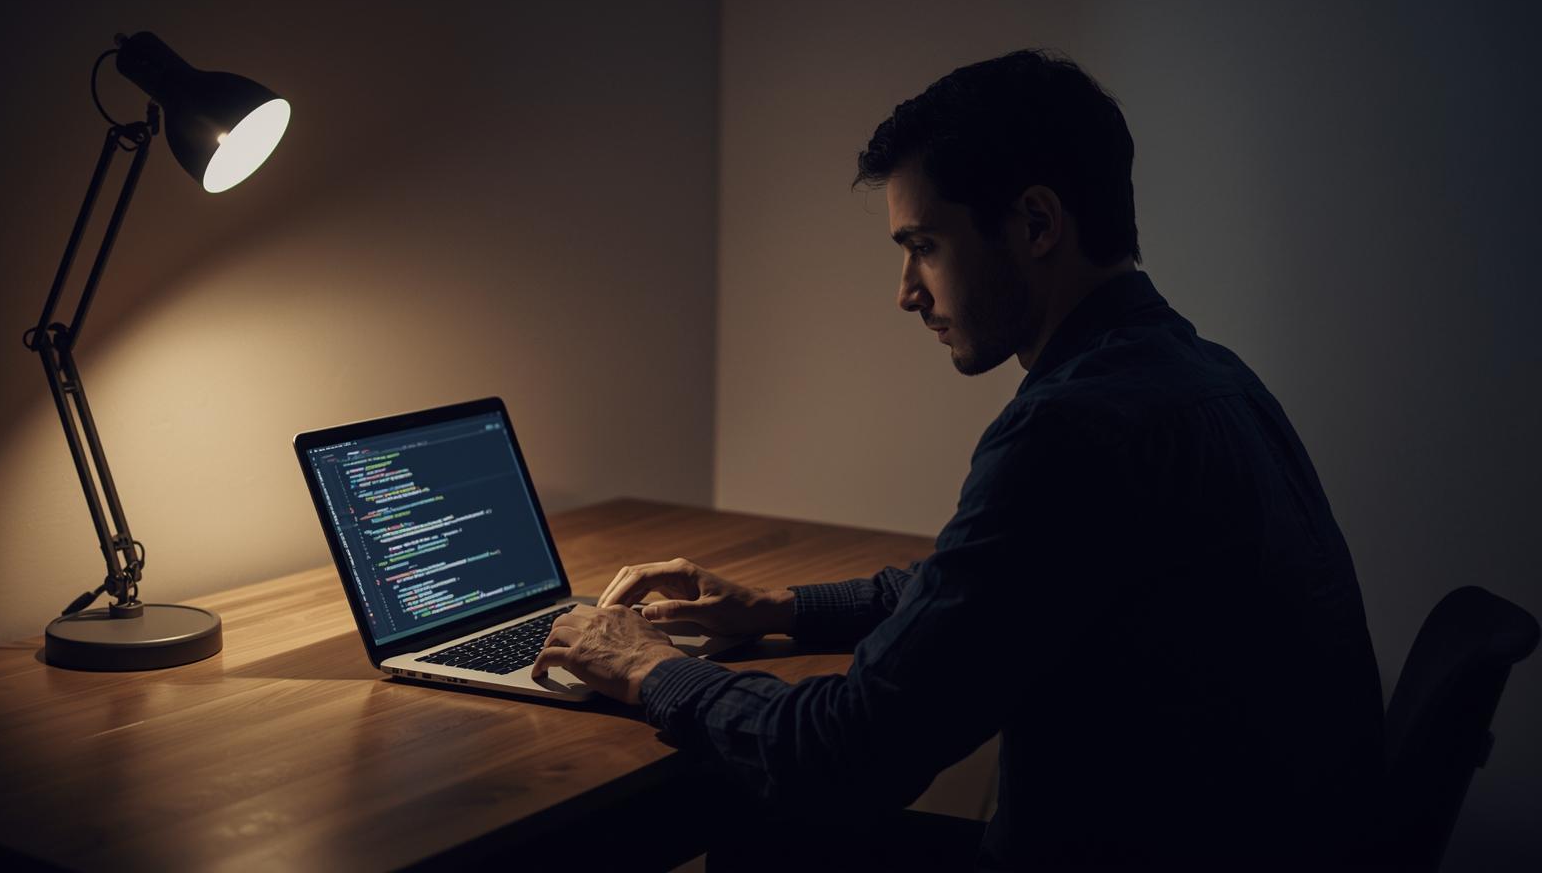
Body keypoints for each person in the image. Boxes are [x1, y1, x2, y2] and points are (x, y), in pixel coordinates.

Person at [531, 49, 1384, 871]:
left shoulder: (1072, 431)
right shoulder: (1205, 378)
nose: (906, 291)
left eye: (924, 245)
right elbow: (992, 588)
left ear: (1037, 223)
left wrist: (652, 667)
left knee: (765, 831)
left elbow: (847, 756)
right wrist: (776, 606)